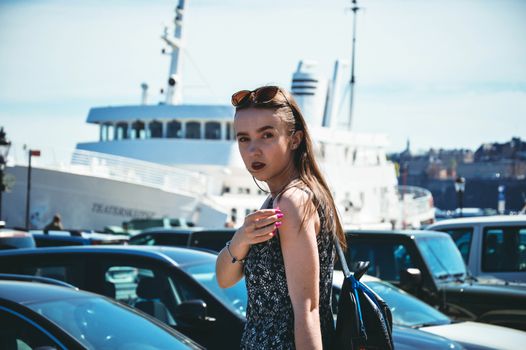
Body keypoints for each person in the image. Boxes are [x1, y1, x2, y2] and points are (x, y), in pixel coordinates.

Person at [215, 86, 346, 349]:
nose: (253, 149)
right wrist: (242, 237)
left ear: (295, 139)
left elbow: (308, 309)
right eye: (243, 138)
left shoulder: (292, 201)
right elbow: (224, 279)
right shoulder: (279, 199)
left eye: (267, 135)